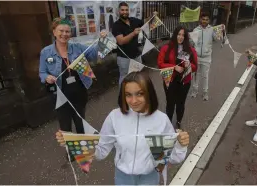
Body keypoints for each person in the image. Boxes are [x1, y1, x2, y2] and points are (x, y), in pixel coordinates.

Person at [55, 72, 190, 185]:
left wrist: (180, 145)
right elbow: (101, 151)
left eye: (139, 93)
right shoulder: (115, 117)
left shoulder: (161, 120)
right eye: (128, 95)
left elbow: (172, 158)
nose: (133, 100)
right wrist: (73, 142)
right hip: (123, 178)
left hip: (150, 177)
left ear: (149, 93)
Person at [39, 17, 106, 134]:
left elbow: (96, 54)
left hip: (79, 94)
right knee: (65, 127)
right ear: (54, 32)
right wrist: (46, 77)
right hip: (60, 96)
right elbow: (42, 72)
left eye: (67, 31)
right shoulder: (46, 52)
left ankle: (83, 150)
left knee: (81, 125)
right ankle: (70, 151)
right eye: (61, 31)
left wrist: (102, 40)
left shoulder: (78, 48)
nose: (64, 34)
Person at [157, 26, 198, 129]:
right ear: (175, 35)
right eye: (179, 34)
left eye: (183, 35)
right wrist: (173, 67)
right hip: (169, 80)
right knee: (170, 103)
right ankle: (168, 124)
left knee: (180, 103)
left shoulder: (191, 50)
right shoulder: (166, 48)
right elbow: (160, 64)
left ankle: (178, 122)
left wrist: (188, 65)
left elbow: (195, 67)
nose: (180, 37)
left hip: (184, 81)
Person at [190, 12, 222, 101]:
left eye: (206, 19)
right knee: (196, 75)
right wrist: (190, 39)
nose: (204, 21)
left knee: (205, 76)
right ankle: (194, 91)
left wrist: (219, 30)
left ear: (209, 20)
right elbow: (192, 43)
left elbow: (217, 39)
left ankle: (205, 93)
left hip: (206, 57)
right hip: (196, 57)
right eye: (203, 19)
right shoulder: (196, 29)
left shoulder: (211, 29)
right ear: (200, 20)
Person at [112, 2, 144, 85]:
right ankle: (122, 97)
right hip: (124, 58)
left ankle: (136, 95)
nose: (125, 12)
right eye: (122, 10)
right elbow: (121, 41)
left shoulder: (134, 20)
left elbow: (145, 22)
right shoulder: (116, 25)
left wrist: (152, 16)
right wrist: (133, 33)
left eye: (126, 10)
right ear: (118, 11)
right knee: (124, 79)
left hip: (136, 55)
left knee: (137, 77)